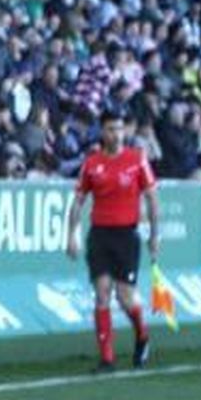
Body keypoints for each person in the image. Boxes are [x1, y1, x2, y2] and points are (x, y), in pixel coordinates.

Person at [65, 113, 160, 370]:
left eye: (119, 129)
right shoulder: (92, 163)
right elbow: (78, 200)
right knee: (102, 293)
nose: (116, 134)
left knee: (125, 297)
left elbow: (151, 197)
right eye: (110, 129)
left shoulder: (136, 159)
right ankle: (106, 358)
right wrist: (71, 234)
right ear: (102, 132)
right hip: (100, 235)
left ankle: (142, 335)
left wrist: (154, 234)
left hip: (126, 235)